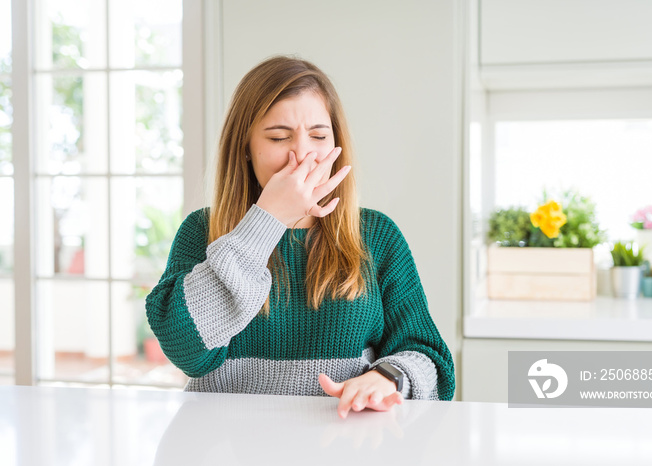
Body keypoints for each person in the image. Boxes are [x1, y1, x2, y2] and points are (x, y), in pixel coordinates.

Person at [146, 56, 455, 418]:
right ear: (245, 147)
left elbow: (431, 360)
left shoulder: (376, 235)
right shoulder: (202, 231)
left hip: (344, 443)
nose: (304, 153)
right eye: (279, 137)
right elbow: (184, 349)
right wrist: (268, 220)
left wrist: (387, 377)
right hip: (225, 444)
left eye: (319, 135)